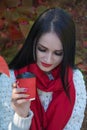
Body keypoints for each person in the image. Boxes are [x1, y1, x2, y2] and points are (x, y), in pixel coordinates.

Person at [0, 7, 86, 130]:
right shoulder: (9, 79)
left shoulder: (74, 80)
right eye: (42, 49)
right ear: (33, 43)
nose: (48, 59)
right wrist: (21, 115)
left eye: (58, 53)